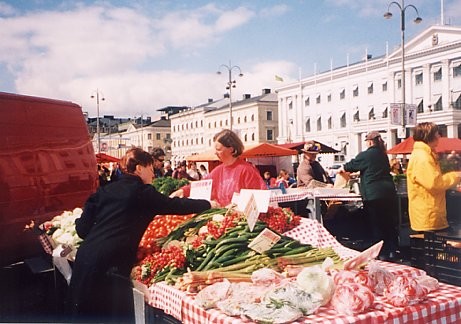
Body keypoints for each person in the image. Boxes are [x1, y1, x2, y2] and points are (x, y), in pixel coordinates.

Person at [69, 148, 213, 323]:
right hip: (110, 267)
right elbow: (176, 205)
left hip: (85, 259)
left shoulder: (104, 191)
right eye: (150, 169)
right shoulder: (143, 193)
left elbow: (82, 230)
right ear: (139, 169)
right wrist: (208, 204)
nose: (153, 174)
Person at [338, 131, 398, 260]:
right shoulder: (383, 155)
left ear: (370, 142)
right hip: (388, 192)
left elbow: (350, 166)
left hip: (374, 194)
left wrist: (342, 169)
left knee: (377, 224)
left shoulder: (366, 155)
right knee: (389, 223)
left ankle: (381, 253)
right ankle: (392, 251)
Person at [169, 129, 267, 206]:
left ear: (231, 149)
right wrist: (183, 191)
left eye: (218, 149)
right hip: (221, 220)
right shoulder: (217, 171)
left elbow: (260, 196)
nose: (215, 152)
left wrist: (238, 206)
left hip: (240, 223)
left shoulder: (247, 170)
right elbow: (201, 186)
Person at [406, 122, 461, 232]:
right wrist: (457, 176)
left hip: (430, 214)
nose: (439, 136)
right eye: (437, 133)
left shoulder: (425, 154)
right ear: (429, 135)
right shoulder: (423, 157)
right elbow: (434, 183)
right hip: (429, 216)